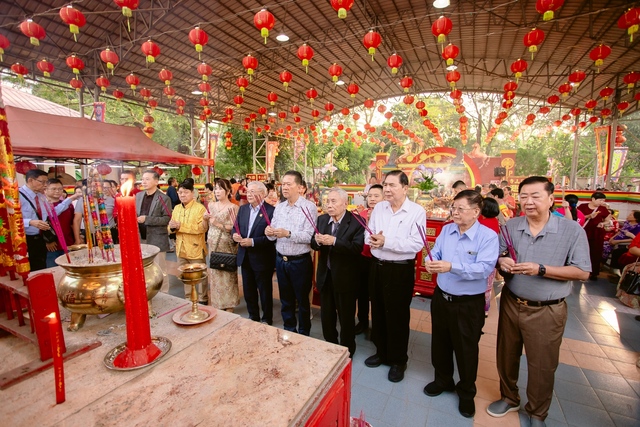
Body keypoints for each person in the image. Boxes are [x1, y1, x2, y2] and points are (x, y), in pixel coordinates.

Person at [487, 176, 590, 427]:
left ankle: (537, 412)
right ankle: (509, 397)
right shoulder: (511, 226)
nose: (529, 202)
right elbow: (498, 254)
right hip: (512, 302)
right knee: (506, 355)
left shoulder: (571, 230)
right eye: (524, 196)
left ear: (551, 199)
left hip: (547, 309)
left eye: (535, 196)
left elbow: (582, 272)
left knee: (542, 364)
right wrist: (502, 261)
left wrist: (541, 269)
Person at [422, 190, 499, 418]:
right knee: (440, 343)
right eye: (453, 208)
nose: (454, 212)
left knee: (466, 349)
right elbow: (435, 252)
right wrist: (430, 261)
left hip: (468, 303)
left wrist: (451, 267)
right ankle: (442, 380)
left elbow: (483, 269)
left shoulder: (487, 236)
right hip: (442, 297)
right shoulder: (447, 229)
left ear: (476, 212)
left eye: (460, 209)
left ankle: (466, 392)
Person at [364, 170, 426, 383]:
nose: (387, 189)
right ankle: (381, 352)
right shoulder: (379, 208)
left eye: (392, 185)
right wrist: (372, 239)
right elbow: (369, 231)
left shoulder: (416, 212)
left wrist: (386, 242)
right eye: (385, 185)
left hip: (400, 270)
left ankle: (398, 360)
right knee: (378, 311)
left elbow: (416, 243)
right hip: (377, 266)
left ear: (405, 188)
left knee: (397, 315)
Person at [310, 188, 364, 357]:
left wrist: (334, 241)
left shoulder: (357, 222)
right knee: (326, 316)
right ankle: (330, 346)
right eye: (327, 201)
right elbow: (313, 243)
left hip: (345, 277)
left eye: (334, 201)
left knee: (346, 317)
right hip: (325, 276)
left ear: (345, 204)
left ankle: (347, 350)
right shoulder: (322, 220)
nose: (329, 205)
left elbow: (357, 248)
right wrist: (317, 241)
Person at [265, 170, 317, 336]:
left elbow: (309, 236)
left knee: (302, 301)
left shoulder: (309, 207)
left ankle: (304, 333)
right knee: (285, 300)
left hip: (300, 262)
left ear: (300, 187)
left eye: (289, 184)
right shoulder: (279, 207)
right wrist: (269, 232)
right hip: (281, 260)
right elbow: (272, 234)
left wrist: (287, 234)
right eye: (283, 184)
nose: (284, 187)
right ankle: (289, 331)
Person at [233, 181, 276, 325]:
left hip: (262, 257)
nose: (249, 194)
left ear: (263, 194)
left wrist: (252, 242)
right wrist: (235, 235)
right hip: (245, 256)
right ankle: (253, 316)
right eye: (248, 191)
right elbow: (235, 227)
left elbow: (272, 237)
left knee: (264, 290)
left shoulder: (271, 211)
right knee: (248, 289)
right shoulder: (243, 209)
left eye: (253, 191)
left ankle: (267, 318)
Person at [19, 169, 79, 271]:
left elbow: (52, 213)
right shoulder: (18, 196)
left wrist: (70, 199)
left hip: (40, 239)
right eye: (42, 182)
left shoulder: (40, 197)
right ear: (30, 180)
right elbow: (9, 219)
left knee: (41, 267)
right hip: (25, 239)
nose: (45, 185)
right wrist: (29, 222)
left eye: (46, 182)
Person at [169, 180, 208, 302]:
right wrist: (172, 227)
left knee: (199, 275)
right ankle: (188, 298)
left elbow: (202, 228)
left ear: (192, 193)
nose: (182, 195)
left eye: (186, 192)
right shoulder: (176, 208)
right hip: (181, 247)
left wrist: (181, 226)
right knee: (185, 275)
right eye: (180, 192)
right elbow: (170, 227)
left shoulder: (200, 208)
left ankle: (202, 298)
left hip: (195, 247)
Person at [206, 179, 239, 310]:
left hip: (226, 244)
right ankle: (217, 302)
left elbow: (234, 227)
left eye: (220, 189)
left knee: (227, 273)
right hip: (213, 244)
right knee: (215, 273)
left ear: (228, 191)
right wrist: (204, 219)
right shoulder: (211, 205)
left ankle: (230, 304)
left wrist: (217, 224)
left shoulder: (233, 207)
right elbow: (205, 226)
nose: (217, 191)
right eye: (216, 188)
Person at [135, 170, 172, 292]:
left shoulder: (163, 198)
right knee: (145, 269)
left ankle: (164, 293)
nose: (144, 182)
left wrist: (147, 219)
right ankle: (148, 292)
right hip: (142, 238)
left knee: (160, 269)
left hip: (157, 239)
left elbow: (166, 219)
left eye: (147, 179)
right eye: (143, 179)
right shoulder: (138, 196)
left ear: (156, 181)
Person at [355, 184, 384, 335]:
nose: (372, 199)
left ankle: (378, 326)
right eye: (370, 196)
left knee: (377, 294)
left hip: (378, 260)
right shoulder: (361, 214)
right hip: (362, 258)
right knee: (362, 293)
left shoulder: (386, 215)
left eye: (376, 196)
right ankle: (363, 321)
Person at [43, 179, 75, 268]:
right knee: (53, 270)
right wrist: (48, 241)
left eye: (60, 189)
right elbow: (42, 224)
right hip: (52, 246)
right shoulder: (43, 206)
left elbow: (72, 223)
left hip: (68, 243)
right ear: (45, 190)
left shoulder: (68, 205)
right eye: (53, 189)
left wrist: (77, 238)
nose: (57, 191)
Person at [577, 192, 609, 280]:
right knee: (582, 251)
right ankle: (580, 270)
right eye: (600, 200)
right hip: (584, 231)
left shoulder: (603, 209)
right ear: (593, 199)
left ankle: (594, 273)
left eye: (603, 200)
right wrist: (589, 216)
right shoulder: (582, 207)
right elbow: (577, 217)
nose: (602, 202)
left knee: (596, 252)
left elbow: (607, 219)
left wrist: (603, 223)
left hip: (597, 233)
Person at [478, 196, 501, 315]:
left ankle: (481, 307)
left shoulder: (482, 223)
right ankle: (485, 308)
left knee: (481, 283)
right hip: (492, 259)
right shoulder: (495, 221)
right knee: (488, 284)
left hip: (481, 258)